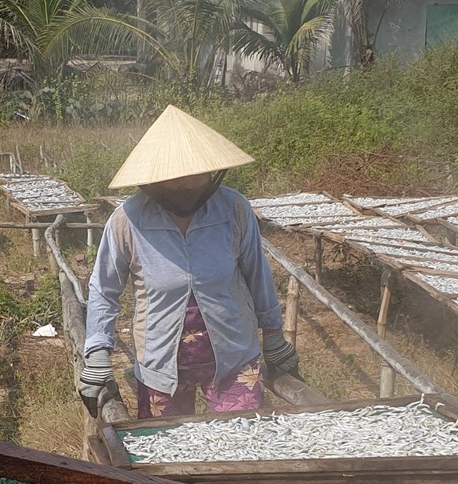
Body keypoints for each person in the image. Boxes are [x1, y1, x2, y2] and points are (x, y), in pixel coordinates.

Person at [79, 106, 298, 419]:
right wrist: (98, 350)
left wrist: (274, 335)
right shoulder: (128, 221)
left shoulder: (233, 210)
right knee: (169, 454)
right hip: (160, 364)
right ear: (153, 179)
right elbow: (104, 289)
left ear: (210, 173)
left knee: (241, 446)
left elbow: (256, 273)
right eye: (174, 181)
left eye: (193, 179)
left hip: (233, 356)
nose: (184, 187)